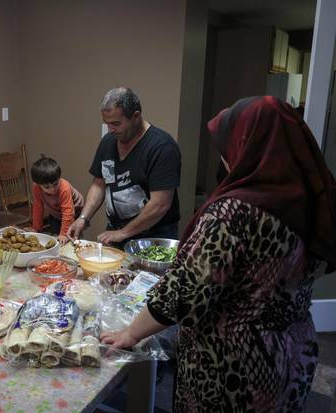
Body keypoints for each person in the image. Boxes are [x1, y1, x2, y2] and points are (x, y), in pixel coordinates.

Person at [101, 96, 336, 412]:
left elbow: (185, 292)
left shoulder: (234, 213)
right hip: (292, 350)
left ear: (247, 144)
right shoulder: (308, 201)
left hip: (234, 367)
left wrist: (131, 332)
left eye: (226, 148)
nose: (225, 158)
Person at [67, 87, 181, 248]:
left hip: (154, 237)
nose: (110, 129)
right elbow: (99, 184)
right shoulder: (108, 142)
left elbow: (160, 204)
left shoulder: (162, 147)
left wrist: (124, 233)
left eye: (116, 124)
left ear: (136, 116)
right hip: (116, 233)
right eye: (107, 123)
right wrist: (83, 218)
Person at [30, 155, 84, 243]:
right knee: (55, 236)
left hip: (75, 212)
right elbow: (38, 208)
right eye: (47, 187)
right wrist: (36, 229)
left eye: (55, 184)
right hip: (56, 212)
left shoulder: (64, 187)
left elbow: (68, 212)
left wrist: (64, 234)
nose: (53, 189)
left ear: (59, 178)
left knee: (72, 238)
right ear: (38, 184)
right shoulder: (36, 188)